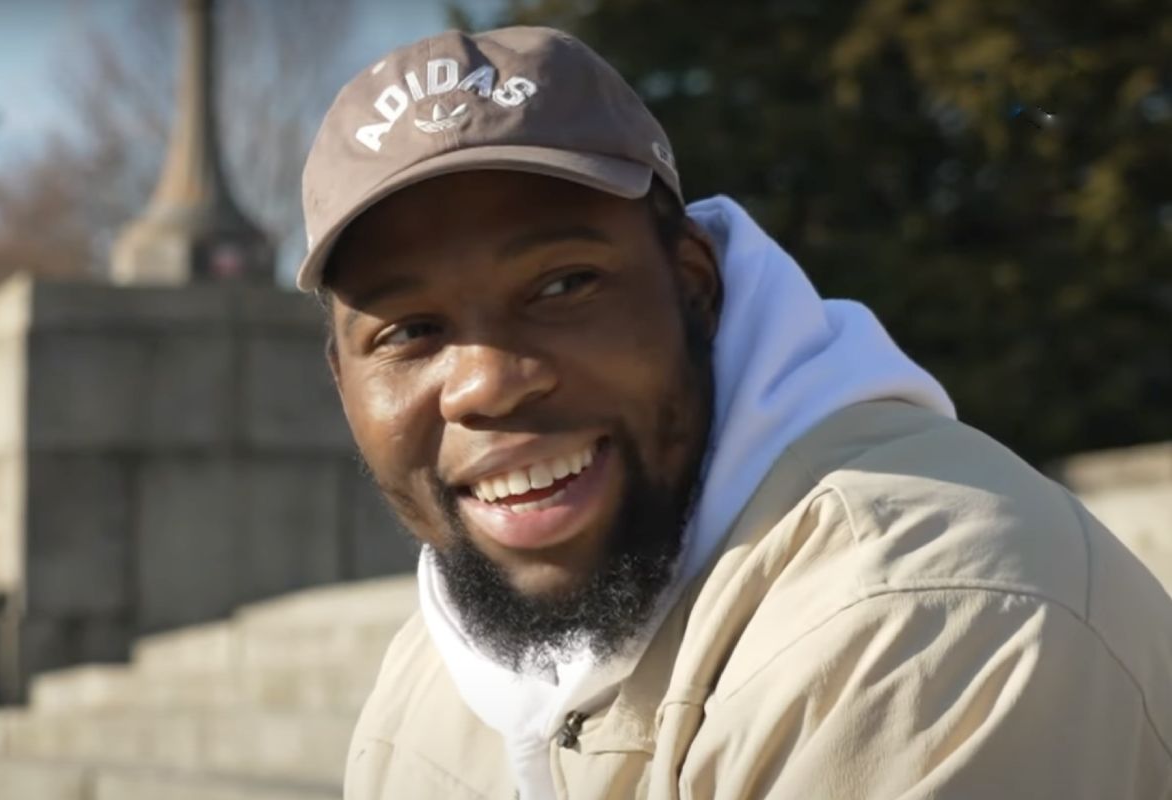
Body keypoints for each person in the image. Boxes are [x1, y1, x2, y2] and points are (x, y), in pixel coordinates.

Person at [295, 26, 1172, 799]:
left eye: (564, 285)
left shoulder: (925, 619)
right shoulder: (424, 685)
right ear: (342, 382)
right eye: (411, 331)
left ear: (695, 283)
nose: (485, 384)